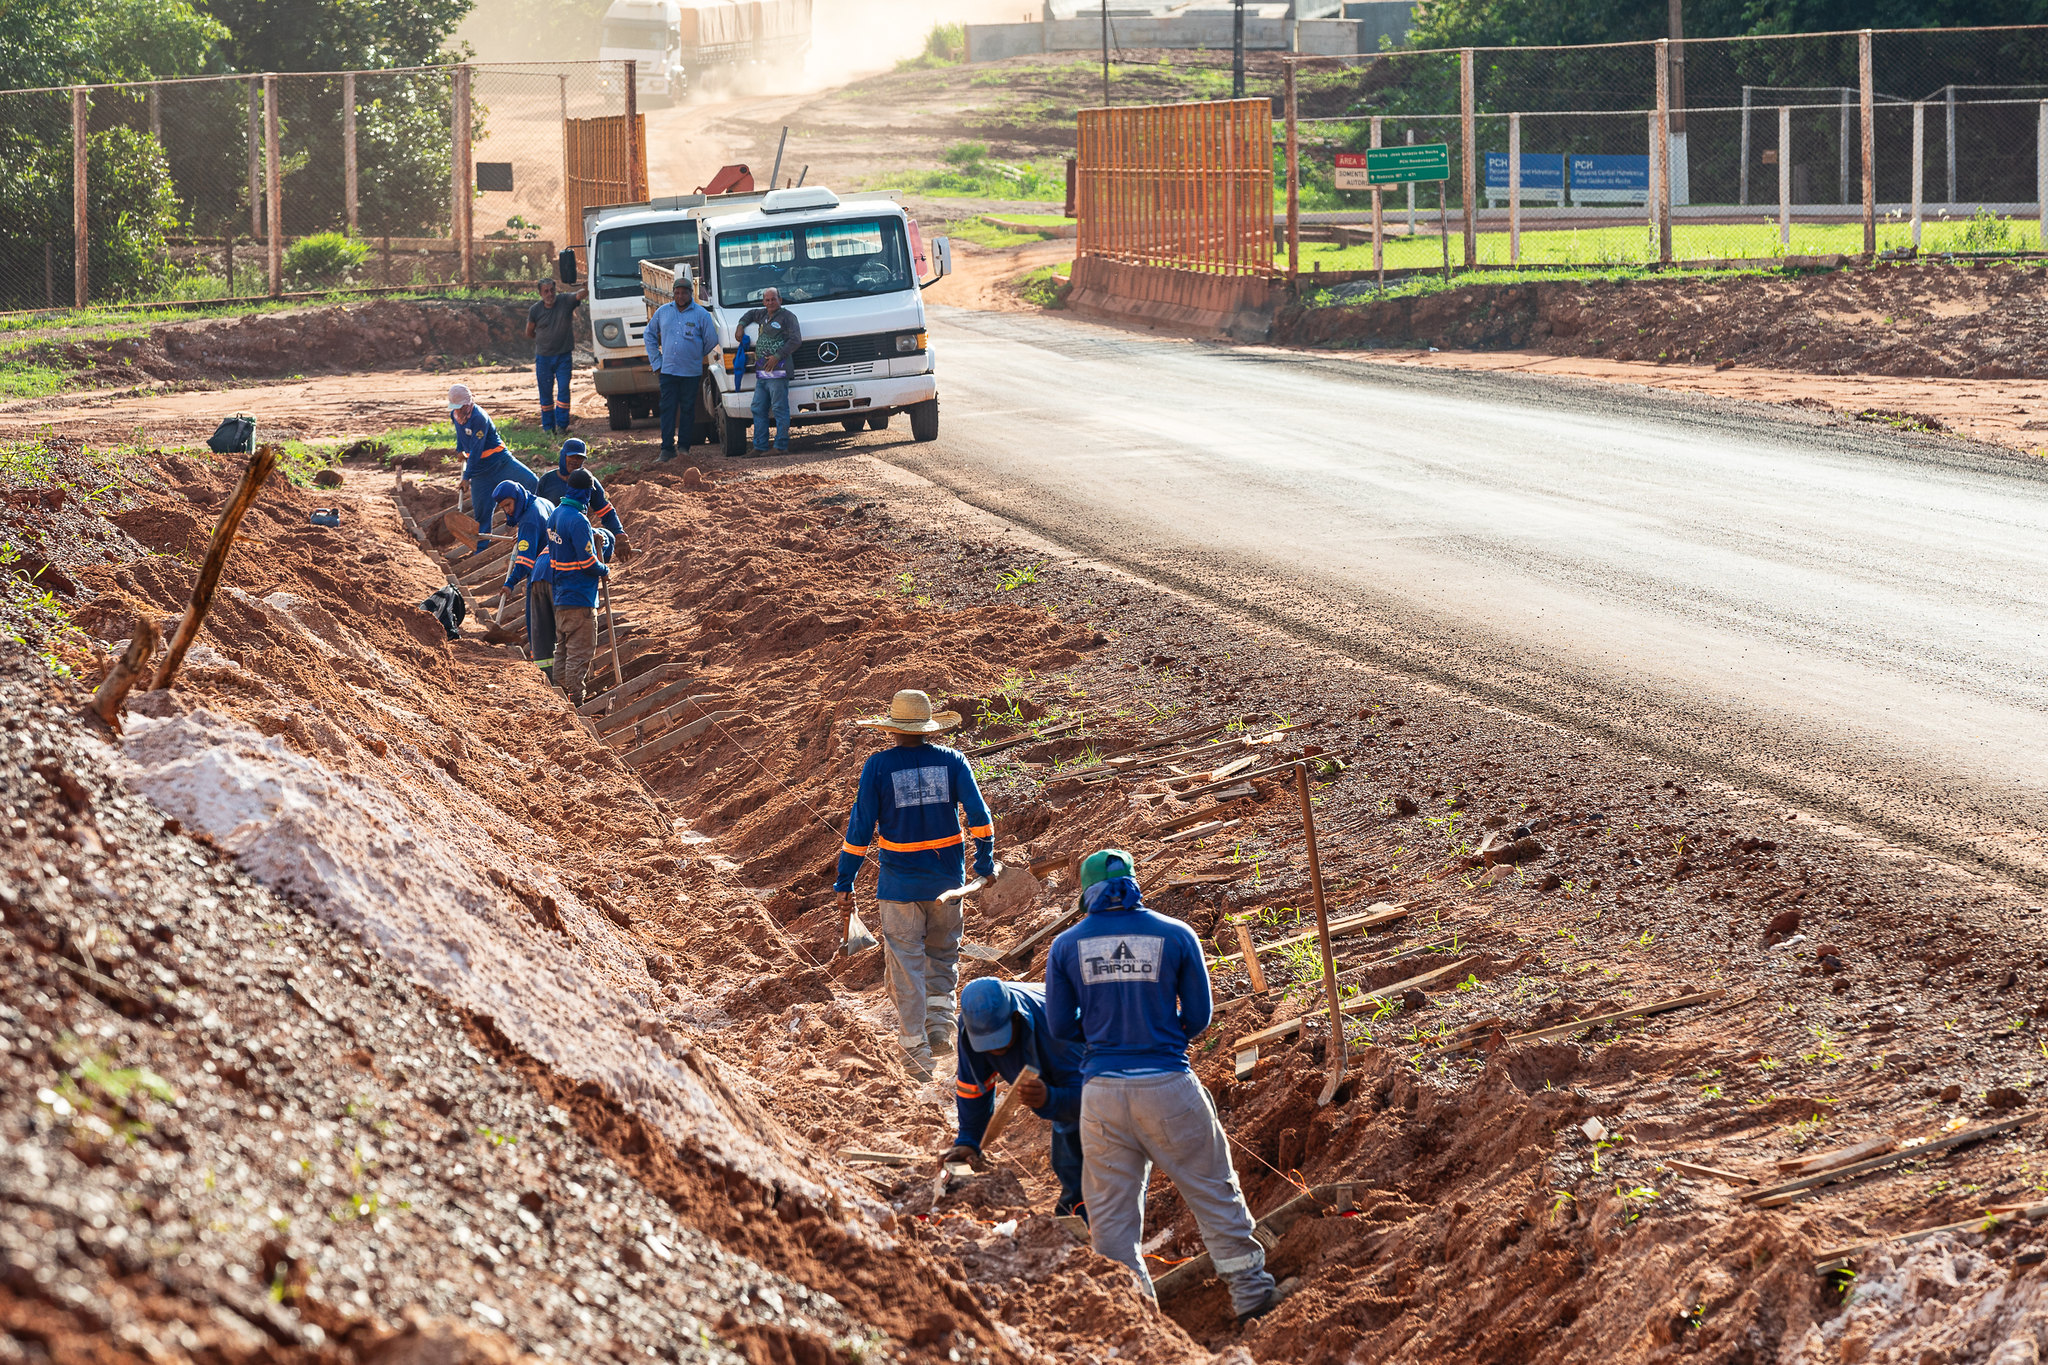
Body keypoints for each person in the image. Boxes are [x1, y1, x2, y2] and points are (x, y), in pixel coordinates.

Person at [1045, 849, 1296, 1328]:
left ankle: (1139, 1326)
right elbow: (1199, 1017)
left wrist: (1103, 1040)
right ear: (1133, 885)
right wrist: (1159, 1037)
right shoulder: (1176, 934)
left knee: (1112, 1220)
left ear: (1087, 894)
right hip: (1167, 1085)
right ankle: (1251, 1295)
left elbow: (1059, 1025)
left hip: (1101, 1095)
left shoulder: (1066, 945)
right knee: (1213, 1191)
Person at [833, 690, 995, 1080]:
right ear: (927, 728)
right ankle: (939, 1025)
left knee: (906, 966)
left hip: (899, 889)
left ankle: (916, 1051)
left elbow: (860, 830)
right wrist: (985, 862)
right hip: (948, 885)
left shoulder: (878, 766)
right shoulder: (953, 761)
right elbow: (979, 815)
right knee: (943, 954)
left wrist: (845, 879)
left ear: (892, 729)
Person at [944, 977, 1088, 1220]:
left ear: (1016, 1017)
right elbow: (974, 1088)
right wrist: (969, 1139)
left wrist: (1051, 1098)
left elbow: (1094, 1098)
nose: (995, 1049)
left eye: (999, 1038)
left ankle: (1083, 1215)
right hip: (1051, 1055)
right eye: (986, 1043)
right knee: (1066, 1158)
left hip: (1087, 1069)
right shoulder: (970, 1028)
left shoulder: (1058, 1029)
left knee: (1071, 1154)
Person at [545, 469, 613, 703]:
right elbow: (587, 563)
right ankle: (576, 698)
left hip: (561, 595)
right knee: (580, 652)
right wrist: (605, 569)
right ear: (586, 493)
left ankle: (559, 692)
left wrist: (590, 535)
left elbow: (565, 544)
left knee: (563, 649)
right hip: (580, 595)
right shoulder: (578, 520)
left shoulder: (556, 515)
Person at [448, 384, 538, 554]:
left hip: (500, 463)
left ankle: (530, 523)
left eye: (461, 407)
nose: (458, 410)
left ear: (468, 403)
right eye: (455, 407)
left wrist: (466, 477)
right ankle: (481, 552)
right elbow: (460, 434)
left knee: (532, 482)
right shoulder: (455, 415)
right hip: (480, 473)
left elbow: (477, 450)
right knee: (482, 514)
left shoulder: (479, 418)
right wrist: (460, 449)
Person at [643, 274, 721, 462]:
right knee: (667, 409)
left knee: (687, 410)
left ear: (690, 294)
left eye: (684, 293)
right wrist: (657, 362)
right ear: (673, 293)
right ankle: (666, 449)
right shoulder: (663, 312)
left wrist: (695, 354)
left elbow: (711, 339)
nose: (680, 296)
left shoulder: (701, 314)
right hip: (668, 371)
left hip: (690, 372)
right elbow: (649, 334)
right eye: (677, 293)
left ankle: (684, 449)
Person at [492, 480, 556, 681]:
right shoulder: (541, 502)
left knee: (538, 626)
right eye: (503, 508)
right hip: (559, 570)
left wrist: (509, 583)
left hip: (540, 575)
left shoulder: (528, 520)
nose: (508, 511)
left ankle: (545, 675)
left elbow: (525, 562)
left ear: (518, 498)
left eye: (509, 505)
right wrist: (524, 536)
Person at [535, 439, 629, 563]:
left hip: (576, 531)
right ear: (563, 456)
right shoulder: (547, 480)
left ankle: (593, 567)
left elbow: (606, 511)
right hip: (550, 535)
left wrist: (619, 534)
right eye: (572, 456)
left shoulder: (588, 481)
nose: (575, 461)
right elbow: (536, 510)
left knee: (607, 537)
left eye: (579, 458)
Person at [736, 286, 802, 455]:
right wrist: (740, 326)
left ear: (780, 300)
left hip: (779, 370)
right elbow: (750, 314)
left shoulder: (788, 317)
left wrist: (777, 356)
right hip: (762, 372)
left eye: (774, 299)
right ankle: (760, 447)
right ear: (763, 302)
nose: (771, 302)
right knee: (758, 407)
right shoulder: (763, 315)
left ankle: (781, 446)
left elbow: (796, 340)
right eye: (767, 300)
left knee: (779, 408)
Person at [527, 276, 587, 434]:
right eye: (546, 291)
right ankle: (548, 428)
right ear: (540, 293)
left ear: (555, 290)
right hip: (543, 358)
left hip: (563, 357)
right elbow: (529, 332)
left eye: (552, 290)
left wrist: (587, 287)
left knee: (563, 389)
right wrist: (543, 340)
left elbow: (580, 295)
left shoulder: (565, 301)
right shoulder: (535, 310)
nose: (550, 294)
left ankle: (562, 426)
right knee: (545, 393)